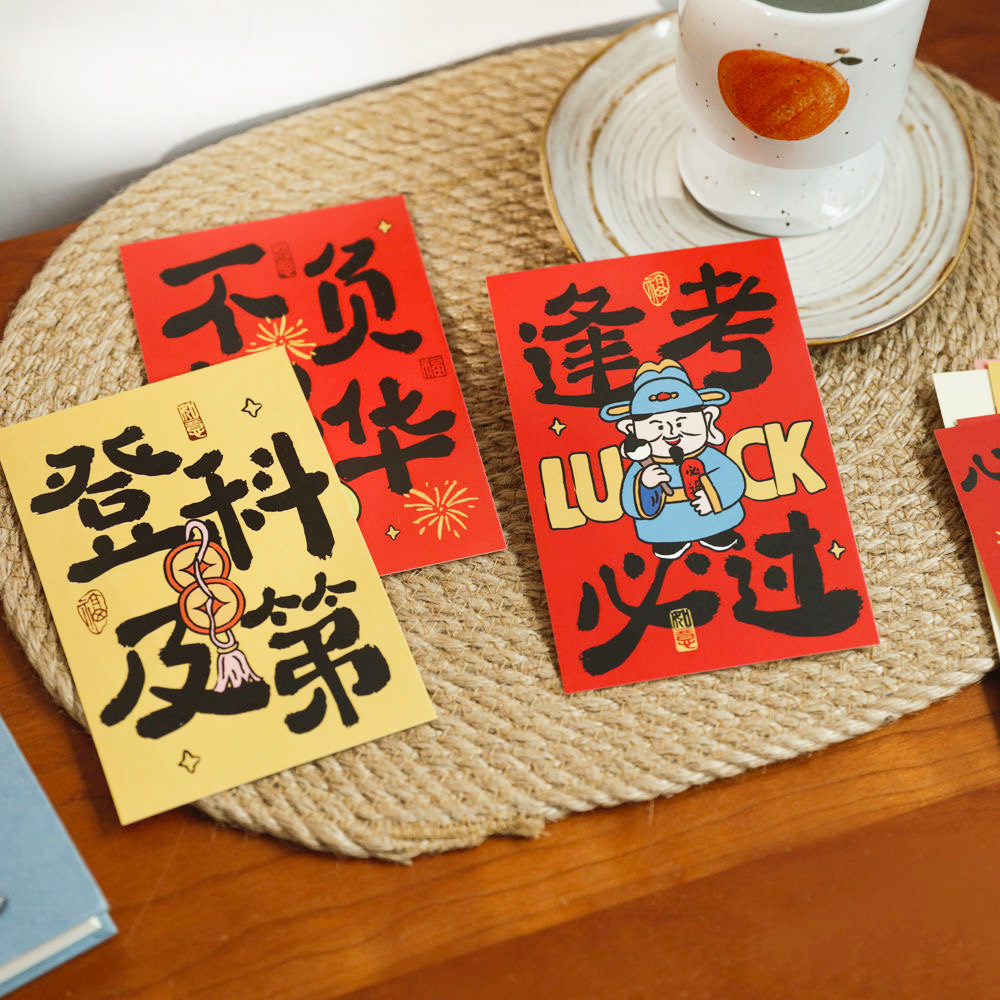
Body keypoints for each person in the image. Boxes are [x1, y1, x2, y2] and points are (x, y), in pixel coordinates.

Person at [600, 359, 747, 560]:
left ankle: (717, 534)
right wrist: (645, 484)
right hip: (664, 526)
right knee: (665, 536)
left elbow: (733, 480)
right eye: (658, 426)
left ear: (707, 419)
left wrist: (713, 499)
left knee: (718, 527)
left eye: (680, 422)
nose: (671, 433)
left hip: (714, 518)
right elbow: (628, 501)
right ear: (631, 430)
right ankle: (670, 541)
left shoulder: (710, 457)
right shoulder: (641, 468)